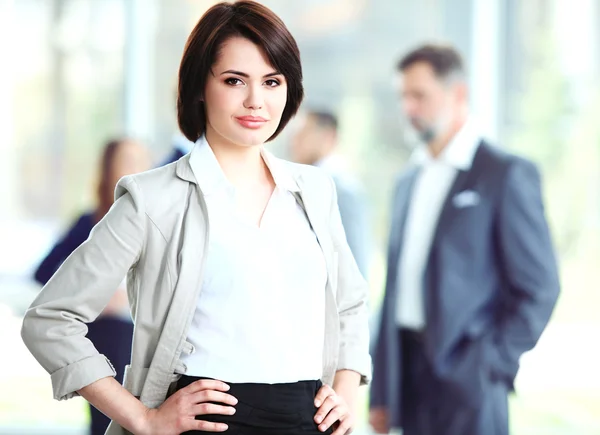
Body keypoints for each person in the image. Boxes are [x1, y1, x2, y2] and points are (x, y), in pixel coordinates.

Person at [21, 2, 371, 435]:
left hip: (308, 419)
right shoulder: (152, 199)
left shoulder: (315, 190)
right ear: (200, 86)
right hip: (206, 423)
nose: (255, 101)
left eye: (271, 81)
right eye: (234, 80)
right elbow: (50, 320)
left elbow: (351, 303)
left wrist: (347, 391)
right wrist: (142, 419)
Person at [369, 44, 560, 435]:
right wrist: (382, 392)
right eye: (403, 96)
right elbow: (394, 290)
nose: (408, 107)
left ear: (458, 94)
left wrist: (491, 362)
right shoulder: (408, 180)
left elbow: (540, 287)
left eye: (419, 95)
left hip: (470, 380)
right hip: (407, 377)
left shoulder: (504, 174)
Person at [32, 138, 151, 435]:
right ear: (109, 169)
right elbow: (43, 271)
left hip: (149, 336)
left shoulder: (157, 220)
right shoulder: (92, 221)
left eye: (143, 160)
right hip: (112, 333)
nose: (138, 168)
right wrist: (94, 301)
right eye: (128, 160)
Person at [290, 109, 371, 279]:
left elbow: (353, 265)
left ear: (329, 137)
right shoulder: (302, 183)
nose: (295, 140)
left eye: (304, 133)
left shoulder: (342, 190)